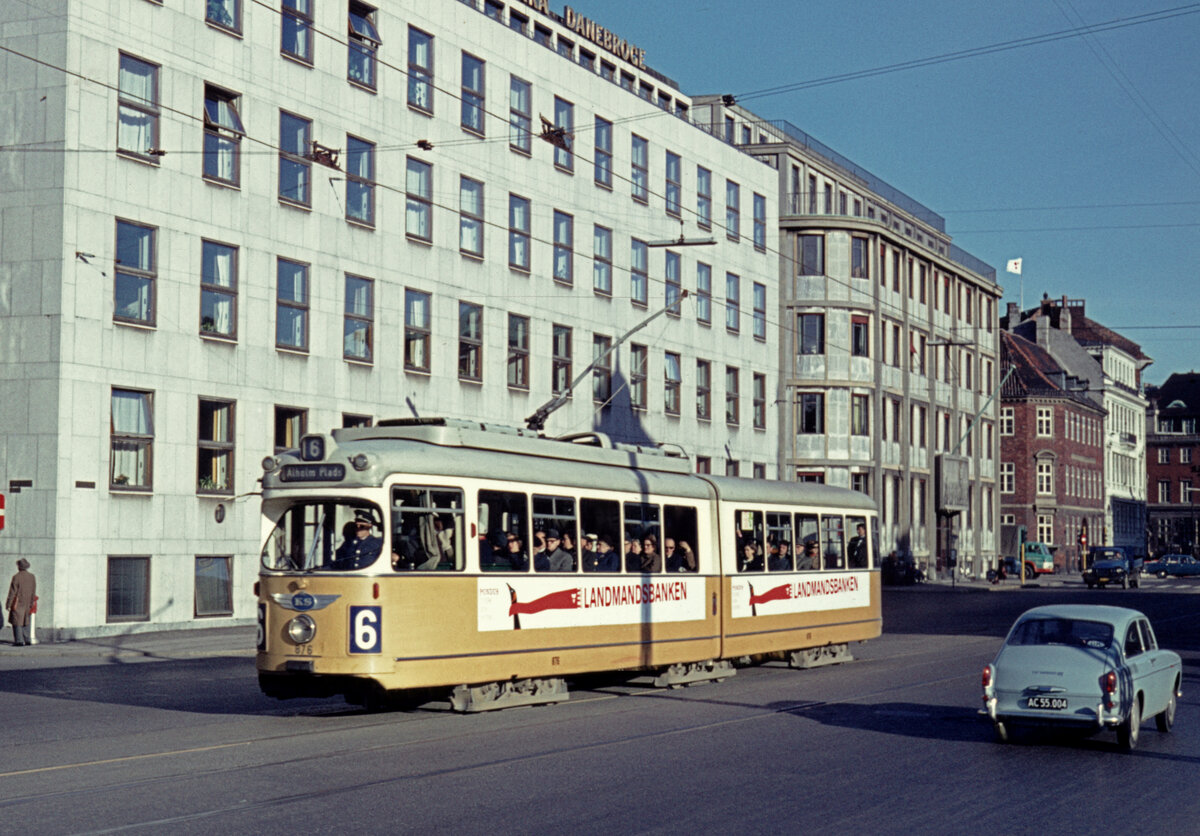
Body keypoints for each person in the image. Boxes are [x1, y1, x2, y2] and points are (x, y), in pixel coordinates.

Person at [6, 558, 36, 647]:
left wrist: (8, 604)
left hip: (18, 602)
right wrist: (31, 602)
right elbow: (33, 591)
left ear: (19, 566)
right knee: (26, 620)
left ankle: (19, 641)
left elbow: (12, 592)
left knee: (17, 621)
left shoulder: (16, 577)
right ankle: (27, 639)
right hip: (28, 602)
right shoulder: (32, 577)